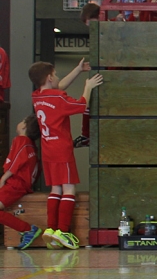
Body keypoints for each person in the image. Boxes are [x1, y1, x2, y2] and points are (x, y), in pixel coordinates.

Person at [28, 60, 103, 250]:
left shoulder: (37, 96)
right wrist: (88, 87)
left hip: (47, 150)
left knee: (56, 189)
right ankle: (63, 231)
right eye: (56, 75)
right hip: (62, 149)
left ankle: (51, 229)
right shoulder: (58, 98)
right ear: (49, 77)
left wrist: (77, 70)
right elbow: (81, 105)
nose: (58, 78)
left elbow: (58, 88)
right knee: (69, 189)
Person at [0, 115, 43, 250]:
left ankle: (27, 229)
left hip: (15, 184)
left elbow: (17, 161)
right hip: (21, 184)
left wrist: (4, 178)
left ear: (24, 126)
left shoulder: (21, 140)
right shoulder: (32, 145)